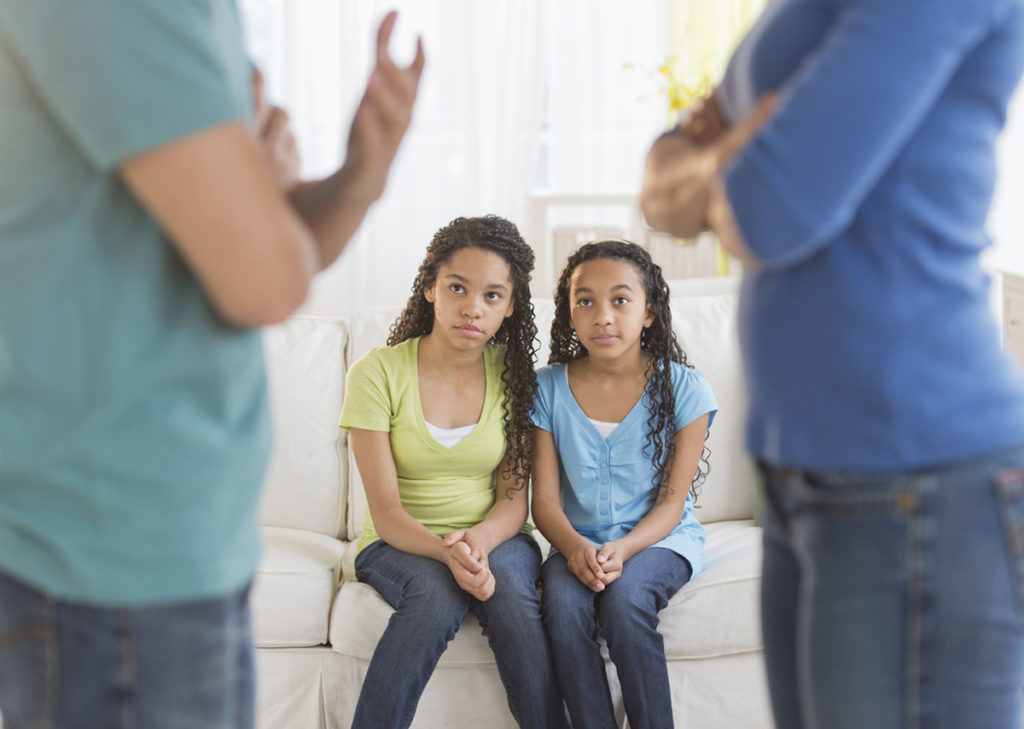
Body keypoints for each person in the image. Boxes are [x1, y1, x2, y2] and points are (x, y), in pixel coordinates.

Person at [0, 2, 423, 726]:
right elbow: (265, 276)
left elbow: (260, 250)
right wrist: (264, 198)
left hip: (183, 541)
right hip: (103, 553)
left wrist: (361, 173)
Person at [641, 1, 1024, 728]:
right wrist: (727, 160)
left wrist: (718, 167)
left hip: (915, 474)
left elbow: (768, 210)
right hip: (802, 471)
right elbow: (661, 192)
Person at [338, 215, 567, 729]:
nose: (472, 308)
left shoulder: (515, 377)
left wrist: (478, 542)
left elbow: (513, 498)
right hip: (399, 542)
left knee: (509, 595)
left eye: (492, 296)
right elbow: (387, 510)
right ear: (429, 289)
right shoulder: (376, 373)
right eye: (457, 288)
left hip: (497, 535)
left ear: (510, 307)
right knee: (435, 597)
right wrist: (447, 551)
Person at [531, 240, 717, 729]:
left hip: (659, 539)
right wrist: (573, 548)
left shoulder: (685, 389)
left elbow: (672, 502)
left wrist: (625, 548)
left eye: (620, 299)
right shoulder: (546, 388)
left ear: (649, 313)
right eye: (585, 301)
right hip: (575, 543)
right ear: (569, 314)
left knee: (626, 599)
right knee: (563, 606)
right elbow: (545, 501)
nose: (603, 316)